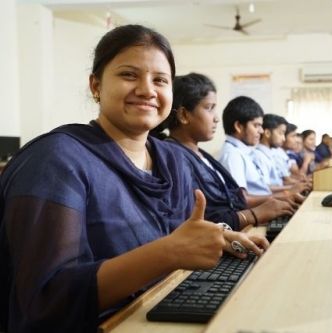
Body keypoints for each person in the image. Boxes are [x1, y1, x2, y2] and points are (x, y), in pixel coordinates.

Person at [0, 25, 268, 333]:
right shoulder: (56, 161)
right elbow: (45, 300)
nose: (147, 90)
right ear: (96, 85)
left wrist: (220, 236)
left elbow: (181, 234)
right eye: (129, 75)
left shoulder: (173, 159)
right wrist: (168, 252)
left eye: (160, 80)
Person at [151, 73, 296, 230]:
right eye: (209, 108)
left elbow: (231, 201)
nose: (216, 118)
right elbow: (201, 220)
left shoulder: (199, 153)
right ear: (184, 115)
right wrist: (254, 214)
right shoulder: (175, 157)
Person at [218, 96, 304, 206]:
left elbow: (262, 189)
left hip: (266, 206)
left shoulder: (243, 152)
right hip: (258, 213)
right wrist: (285, 194)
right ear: (239, 126)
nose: (261, 131)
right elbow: (241, 201)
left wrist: (287, 193)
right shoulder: (232, 155)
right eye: (256, 125)